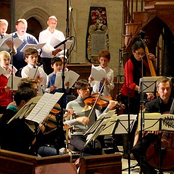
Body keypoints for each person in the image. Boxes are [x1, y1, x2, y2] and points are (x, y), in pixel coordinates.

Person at [120, 40, 156, 159]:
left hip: (137, 96)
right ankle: (126, 152)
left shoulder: (142, 61)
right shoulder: (129, 64)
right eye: (138, 54)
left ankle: (133, 150)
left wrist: (152, 60)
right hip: (128, 96)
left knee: (135, 124)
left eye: (142, 54)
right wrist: (145, 90)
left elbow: (151, 71)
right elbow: (130, 84)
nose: (140, 56)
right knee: (128, 125)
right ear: (133, 52)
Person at [65, 79, 117, 156]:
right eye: (85, 89)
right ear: (78, 91)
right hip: (77, 135)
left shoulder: (92, 103)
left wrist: (109, 107)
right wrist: (78, 120)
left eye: (89, 88)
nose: (88, 91)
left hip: (91, 135)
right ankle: (84, 166)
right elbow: (65, 123)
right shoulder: (71, 104)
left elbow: (101, 117)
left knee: (98, 148)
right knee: (86, 148)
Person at [132, 76, 173, 174]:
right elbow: (145, 123)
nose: (165, 92)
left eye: (168, 89)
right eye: (163, 89)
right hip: (154, 136)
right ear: (158, 90)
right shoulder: (150, 105)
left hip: (171, 136)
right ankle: (151, 172)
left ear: (171, 89)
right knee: (136, 150)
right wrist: (152, 128)